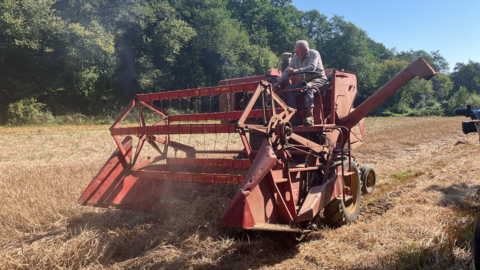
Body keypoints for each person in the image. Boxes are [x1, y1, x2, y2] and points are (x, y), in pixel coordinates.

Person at [274, 40, 327, 126]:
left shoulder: (314, 54)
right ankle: (294, 117)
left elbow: (312, 67)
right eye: (296, 52)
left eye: (298, 52)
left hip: (317, 78)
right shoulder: (295, 57)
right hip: (302, 81)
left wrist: (295, 71)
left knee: (308, 87)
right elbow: (288, 70)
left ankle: (310, 116)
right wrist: (278, 82)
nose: (297, 54)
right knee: (288, 91)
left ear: (306, 50)